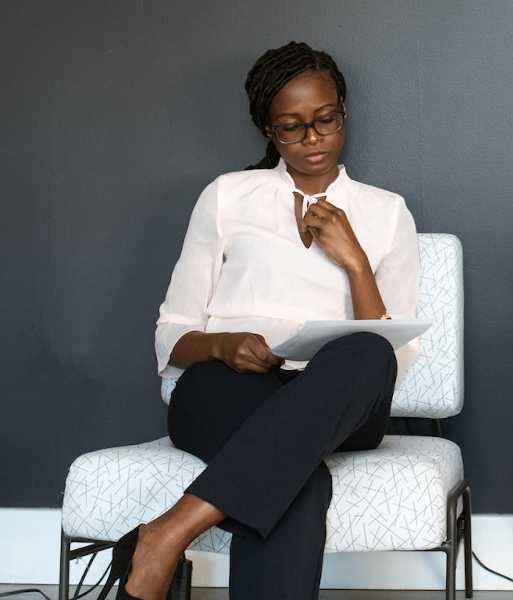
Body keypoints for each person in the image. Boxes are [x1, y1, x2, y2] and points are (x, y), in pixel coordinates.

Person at [98, 41, 419, 600]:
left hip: (338, 401)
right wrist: (223, 346)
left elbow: (395, 356)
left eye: (325, 120)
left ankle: (165, 533)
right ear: (268, 131)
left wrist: (355, 259)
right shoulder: (227, 197)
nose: (312, 138)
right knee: (298, 479)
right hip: (228, 390)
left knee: (365, 351)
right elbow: (170, 334)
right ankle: (164, 538)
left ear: (344, 110)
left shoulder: (387, 211)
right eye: (291, 127)